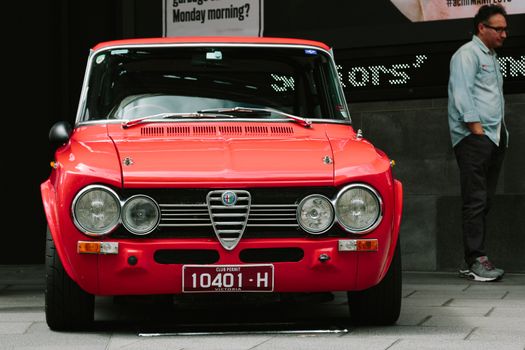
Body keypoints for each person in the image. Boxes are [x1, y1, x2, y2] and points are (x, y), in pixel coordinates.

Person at [448, 4, 508, 282]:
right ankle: (476, 260)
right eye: (498, 28)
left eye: (505, 29)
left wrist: (494, 135)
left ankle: (472, 259)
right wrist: (477, 131)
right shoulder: (467, 54)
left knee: (483, 200)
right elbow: (462, 94)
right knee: (475, 200)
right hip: (475, 138)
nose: (503, 34)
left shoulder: (492, 57)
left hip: (493, 137)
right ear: (481, 28)